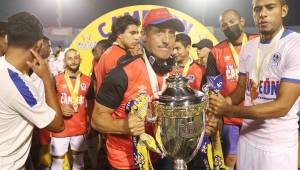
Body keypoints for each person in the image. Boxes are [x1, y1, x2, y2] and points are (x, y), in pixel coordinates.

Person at [92, 8, 218, 170]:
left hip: (164, 154)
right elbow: (97, 119)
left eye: (171, 33)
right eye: (159, 32)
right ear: (144, 35)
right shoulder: (122, 73)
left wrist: (200, 123)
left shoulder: (175, 73)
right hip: (128, 162)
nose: (167, 40)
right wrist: (123, 126)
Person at [209, 0, 300, 169]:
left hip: (277, 145)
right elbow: (240, 91)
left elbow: (282, 106)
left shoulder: (295, 45)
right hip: (247, 138)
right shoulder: (249, 47)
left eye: (270, 7)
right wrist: (219, 106)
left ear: (284, 10)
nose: (262, 14)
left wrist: (229, 110)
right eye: (257, 9)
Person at [0, 12, 64, 170]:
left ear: (7, 38)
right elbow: (57, 125)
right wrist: (47, 78)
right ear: (39, 44)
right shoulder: (17, 85)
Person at [206, 9, 257, 169]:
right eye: (224, 25)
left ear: (242, 21)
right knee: (231, 159)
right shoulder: (215, 52)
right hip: (230, 118)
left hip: (257, 115)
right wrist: (215, 113)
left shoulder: (258, 42)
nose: (228, 26)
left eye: (232, 21)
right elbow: (213, 89)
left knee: (255, 159)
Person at [49, 48, 94, 170]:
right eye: (70, 58)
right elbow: (47, 101)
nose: (73, 61)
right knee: (57, 161)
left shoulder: (88, 81)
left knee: (79, 162)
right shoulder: (56, 79)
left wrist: (90, 123)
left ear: (80, 60)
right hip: (60, 127)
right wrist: (59, 108)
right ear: (64, 61)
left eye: (76, 58)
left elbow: (91, 104)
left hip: (80, 127)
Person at [94, 15, 140, 92]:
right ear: (119, 34)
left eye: (137, 33)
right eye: (132, 33)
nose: (137, 37)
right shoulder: (119, 56)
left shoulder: (111, 52)